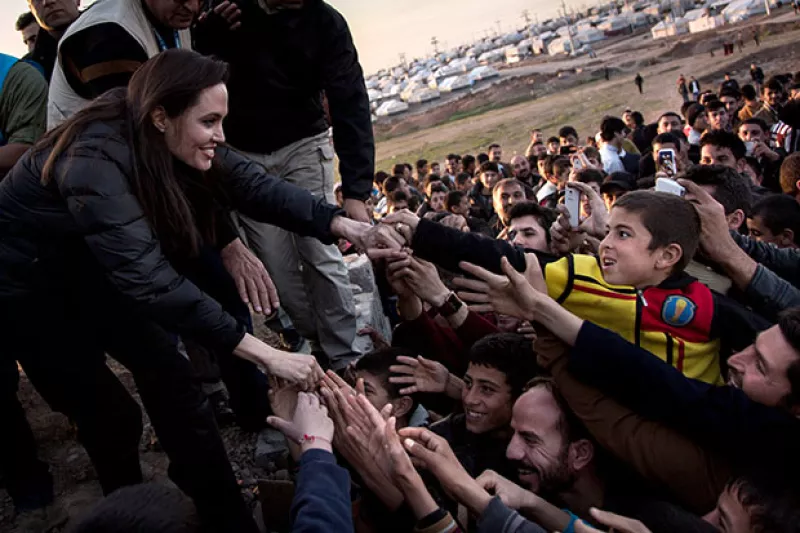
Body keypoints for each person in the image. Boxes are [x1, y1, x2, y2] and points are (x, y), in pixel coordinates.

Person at [0, 50, 400, 533]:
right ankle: (125, 518)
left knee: (176, 385)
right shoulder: (92, 159)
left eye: (222, 119)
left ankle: (226, 518)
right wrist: (264, 354)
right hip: (26, 290)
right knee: (111, 416)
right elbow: (149, 279)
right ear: (161, 116)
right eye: (209, 121)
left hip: (93, 268)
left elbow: (249, 182)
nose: (221, 135)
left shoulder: (161, 132)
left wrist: (339, 224)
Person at [195, 0, 376, 370]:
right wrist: (207, 34)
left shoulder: (325, 22)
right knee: (275, 263)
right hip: (242, 152)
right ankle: (315, 339)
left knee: (320, 251)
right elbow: (187, 66)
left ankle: (346, 355)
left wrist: (357, 191)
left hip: (304, 145)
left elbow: (350, 101)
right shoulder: (227, 9)